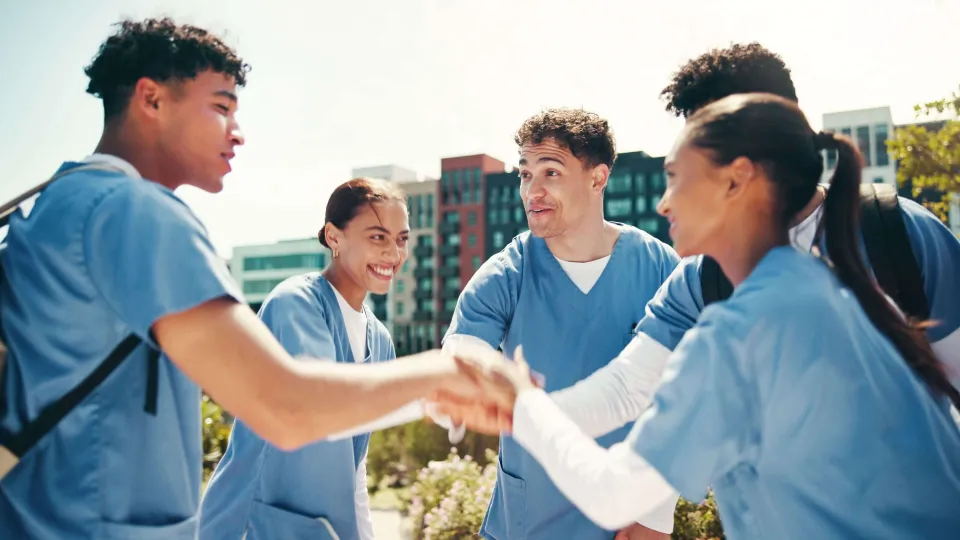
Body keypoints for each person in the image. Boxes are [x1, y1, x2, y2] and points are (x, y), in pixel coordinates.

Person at [0, 18, 497, 539]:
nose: (237, 133)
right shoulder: (140, 214)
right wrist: (449, 374)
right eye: (220, 107)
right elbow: (283, 406)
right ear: (151, 100)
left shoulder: (55, 202)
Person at [452, 93, 960, 539]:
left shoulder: (735, 329)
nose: (664, 201)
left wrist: (524, 408)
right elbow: (627, 390)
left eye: (677, 179)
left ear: (738, 182)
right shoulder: (820, 292)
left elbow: (612, 490)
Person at [441, 108, 681, 539]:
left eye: (550, 172)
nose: (532, 190)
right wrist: (466, 382)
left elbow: (684, 394)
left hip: (625, 524)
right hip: (526, 523)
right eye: (524, 174)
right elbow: (461, 357)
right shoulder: (505, 274)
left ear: (597, 178)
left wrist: (656, 511)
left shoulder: (660, 266)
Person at [199, 177, 410, 539]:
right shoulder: (295, 304)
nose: (393, 253)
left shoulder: (380, 341)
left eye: (401, 239)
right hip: (253, 526)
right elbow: (318, 401)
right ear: (334, 237)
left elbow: (353, 467)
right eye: (377, 237)